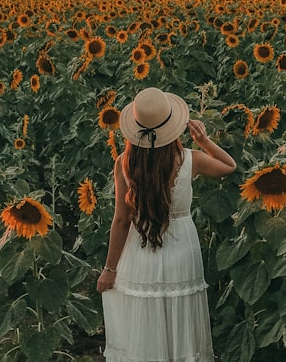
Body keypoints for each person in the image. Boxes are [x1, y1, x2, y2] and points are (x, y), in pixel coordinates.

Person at [96, 86, 236, 362]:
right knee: (180, 319)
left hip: (141, 248)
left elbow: (122, 220)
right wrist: (205, 140)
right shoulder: (190, 159)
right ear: (173, 127)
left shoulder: (124, 162)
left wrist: (109, 269)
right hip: (182, 249)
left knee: (145, 321)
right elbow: (229, 166)